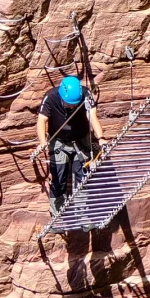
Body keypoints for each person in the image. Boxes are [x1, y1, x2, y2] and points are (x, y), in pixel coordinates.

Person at [36, 75, 106, 216]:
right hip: (59, 141)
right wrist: (43, 142)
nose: (72, 106)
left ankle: (82, 213)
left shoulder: (86, 95)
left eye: (74, 104)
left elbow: (92, 117)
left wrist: (101, 138)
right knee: (58, 175)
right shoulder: (51, 97)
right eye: (69, 104)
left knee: (83, 175)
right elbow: (41, 120)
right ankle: (58, 212)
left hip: (81, 139)